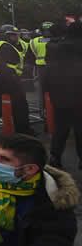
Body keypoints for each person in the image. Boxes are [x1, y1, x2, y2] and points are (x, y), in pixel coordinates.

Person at [46, 20, 82, 168]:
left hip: (59, 93)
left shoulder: (55, 48)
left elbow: (49, 70)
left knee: (60, 127)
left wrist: (49, 90)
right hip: (79, 92)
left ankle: (55, 157)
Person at [0, 24, 31, 136]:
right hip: (8, 78)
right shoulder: (5, 46)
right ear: (5, 36)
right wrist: (14, 77)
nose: (16, 38)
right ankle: (23, 130)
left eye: (16, 35)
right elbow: (1, 63)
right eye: (12, 36)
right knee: (20, 105)